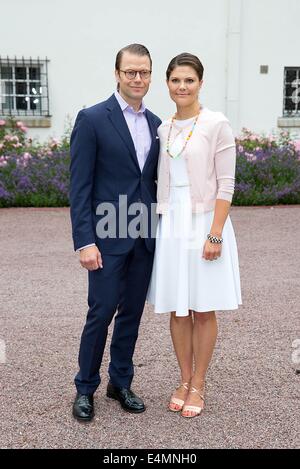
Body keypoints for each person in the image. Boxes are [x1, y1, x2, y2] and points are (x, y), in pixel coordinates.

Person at [147, 53, 242, 418]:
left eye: (189, 80)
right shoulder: (164, 128)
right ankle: (183, 380)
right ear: (167, 84)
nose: (182, 86)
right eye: (175, 80)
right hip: (173, 222)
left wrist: (215, 234)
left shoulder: (216, 123)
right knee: (177, 306)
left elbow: (227, 184)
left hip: (205, 222)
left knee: (203, 307)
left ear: (200, 83)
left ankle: (199, 384)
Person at [70, 44, 161, 421]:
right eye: (130, 72)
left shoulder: (158, 124)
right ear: (117, 74)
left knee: (132, 314)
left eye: (144, 72)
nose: (137, 79)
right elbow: (80, 187)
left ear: (150, 75)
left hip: (144, 234)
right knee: (102, 311)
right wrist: (85, 241)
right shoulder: (92, 118)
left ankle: (119, 382)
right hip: (106, 234)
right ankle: (85, 387)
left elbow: (153, 181)